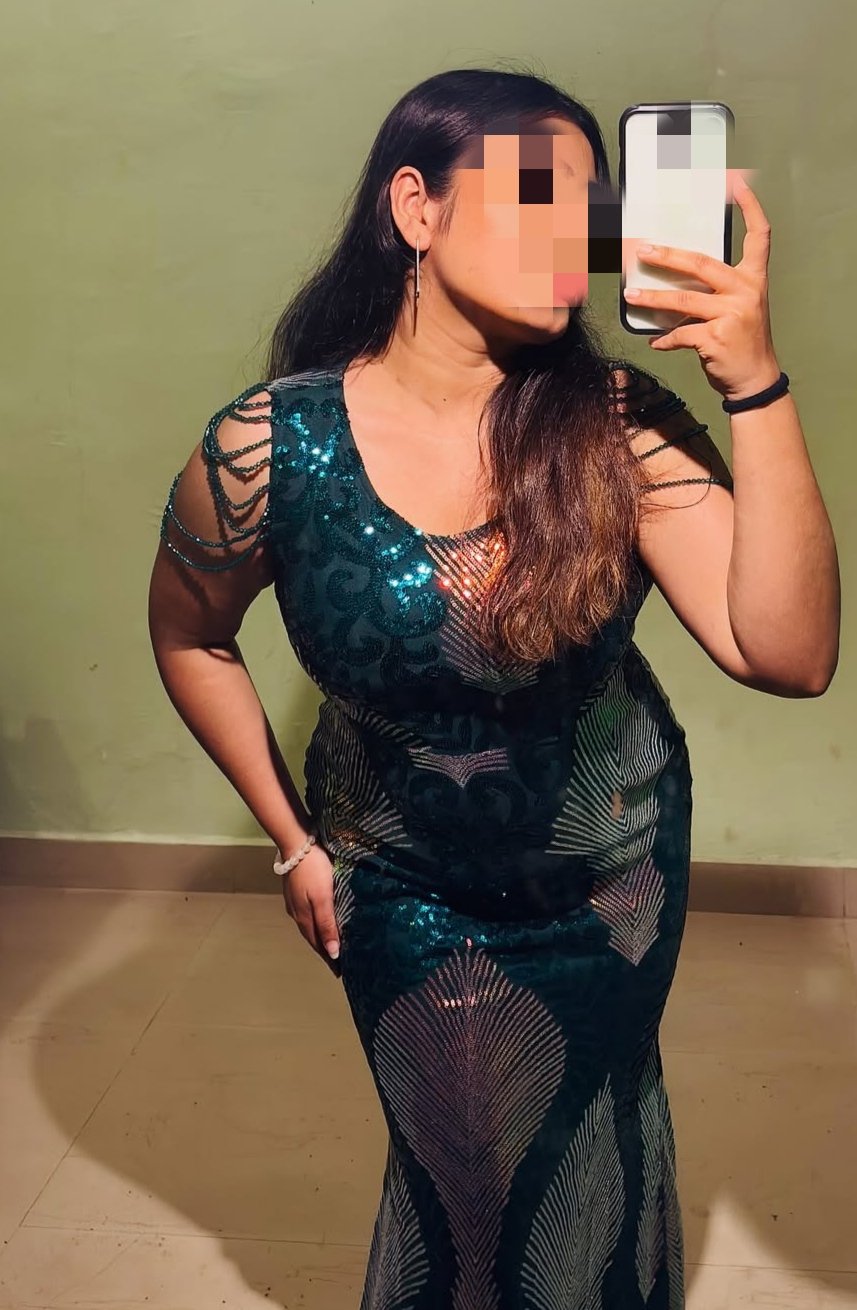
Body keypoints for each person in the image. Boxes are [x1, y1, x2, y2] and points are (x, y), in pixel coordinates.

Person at [148, 67, 837, 1310]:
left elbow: (786, 655)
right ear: (414, 207)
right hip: (398, 883)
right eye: (532, 192)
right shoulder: (272, 447)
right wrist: (291, 841)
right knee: (455, 1173)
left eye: (587, 201)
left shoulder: (613, 426)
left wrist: (752, 382)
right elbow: (191, 638)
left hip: (610, 874)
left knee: (600, 1126)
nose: (572, 228)